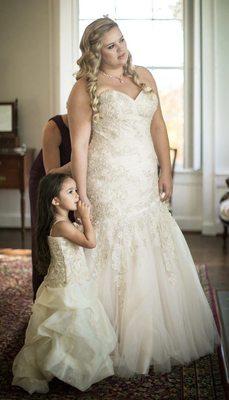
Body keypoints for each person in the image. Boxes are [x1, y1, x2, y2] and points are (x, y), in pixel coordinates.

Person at [67, 17, 220, 378]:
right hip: (108, 180)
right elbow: (79, 147)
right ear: (95, 52)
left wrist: (166, 171)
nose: (122, 50)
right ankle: (112, 339)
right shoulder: (84, 89)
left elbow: (158, 125)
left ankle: (154, 335)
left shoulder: (144, 76)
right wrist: (83, 197)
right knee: (115, 252)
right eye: (111, 46)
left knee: (154, 247)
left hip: (143, 178)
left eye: (121, 41)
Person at [12, 173, 117, 394]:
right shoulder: (61, 226)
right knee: (67, 325)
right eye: (71, 192)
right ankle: (64, 366)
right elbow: (90, 242)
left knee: (76, 327)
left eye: (76, 190)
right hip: (68, 288)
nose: (77, 196)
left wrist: (79, 219)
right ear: (55, 200)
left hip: (75, 283)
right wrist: (86, 218)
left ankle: (74, 364)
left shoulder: (64, 223)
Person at [29, 115, 71, 298]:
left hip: (72, 183)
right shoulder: (54, 127)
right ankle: (41, 297)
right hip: (46, 182)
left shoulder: (97, 123)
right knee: (46, 232)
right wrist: (78, 162)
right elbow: (51, 176)